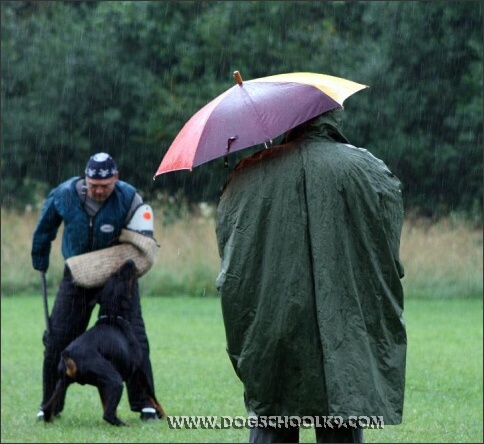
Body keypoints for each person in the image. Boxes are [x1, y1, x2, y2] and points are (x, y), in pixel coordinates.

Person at [215, 107, 407, 443]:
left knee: (273, 413)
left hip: (271, 316)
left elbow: (233, 248)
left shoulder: (250, 173)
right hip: (346, 318)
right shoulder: (367, 169)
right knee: (341, 406)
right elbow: (387, 245)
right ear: (331, 118)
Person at [32, 152, 161, 422]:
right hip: (77, 276)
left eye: (105, 185)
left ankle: (145, 404)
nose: (99, 190)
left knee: (135, 338)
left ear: (115, 178)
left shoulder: (129, 197)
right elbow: (45, 229)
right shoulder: (64, 194)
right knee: (57, 340)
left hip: (116, 278)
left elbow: (144, 236)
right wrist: (39, 259)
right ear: (85, 179)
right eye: (93, 185)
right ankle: (49, 405)